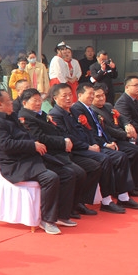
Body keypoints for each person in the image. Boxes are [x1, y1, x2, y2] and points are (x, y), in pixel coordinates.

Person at [0, 90, 63, 234]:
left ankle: (62, 213)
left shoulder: (11, 115)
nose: (12, 102)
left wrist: (35, 143)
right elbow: (6, 145)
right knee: (50, 178)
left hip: (28, 158)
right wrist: (32, 145)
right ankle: (47, 219)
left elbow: (26, 134)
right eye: (9, 101)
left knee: (67, 171)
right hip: (14, 164)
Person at [48, 83, 126, 214]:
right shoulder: (55, 115)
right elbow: (67, 137)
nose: (68, 98)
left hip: (86, 147)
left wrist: (94, 144)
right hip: (74, 150)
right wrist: (88, 147)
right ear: (55, 98)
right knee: (104, 160)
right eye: (64, 96)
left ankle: (86, 200)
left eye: (69, 95)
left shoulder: (74, 111)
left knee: (109, 158)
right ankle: (105, 200)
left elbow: (87, 130)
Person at [18, 88, 93, 222]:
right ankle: (61, 212)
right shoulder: (25, 117)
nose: (38, 103)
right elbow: (40, 137)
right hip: (46, 154)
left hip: (59, 151)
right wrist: (62, 142)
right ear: (24, 103)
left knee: (82, 171)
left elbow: (56, 130)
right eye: (35, 100)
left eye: (40, 100)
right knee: (73, 173)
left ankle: (72, 206)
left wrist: (65, 139)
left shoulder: (42, 114)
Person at [70, 82, 138, 210]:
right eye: (90, 94)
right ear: (80, 95)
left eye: (93, 94)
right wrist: (104, 144)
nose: (92, 97)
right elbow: (87, 132)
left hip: (102, 141)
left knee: (125, 155)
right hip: (90, 145)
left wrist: (108, 141)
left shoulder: (90, 108)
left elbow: (101, 128)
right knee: (115, 157)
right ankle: (107, 200)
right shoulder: (77, 109)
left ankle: (123, 196)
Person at [91, 83, 138, 197]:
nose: (102, 98)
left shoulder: (108, 106)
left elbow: (121, 117)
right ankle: (127, 187)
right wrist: (126, 134)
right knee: (132, 153)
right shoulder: (93, 111)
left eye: (103, 95)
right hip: (111, 139)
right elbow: (107, 129)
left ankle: (136, 182)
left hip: (120, 137)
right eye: (98, 96)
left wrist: (127, 124)